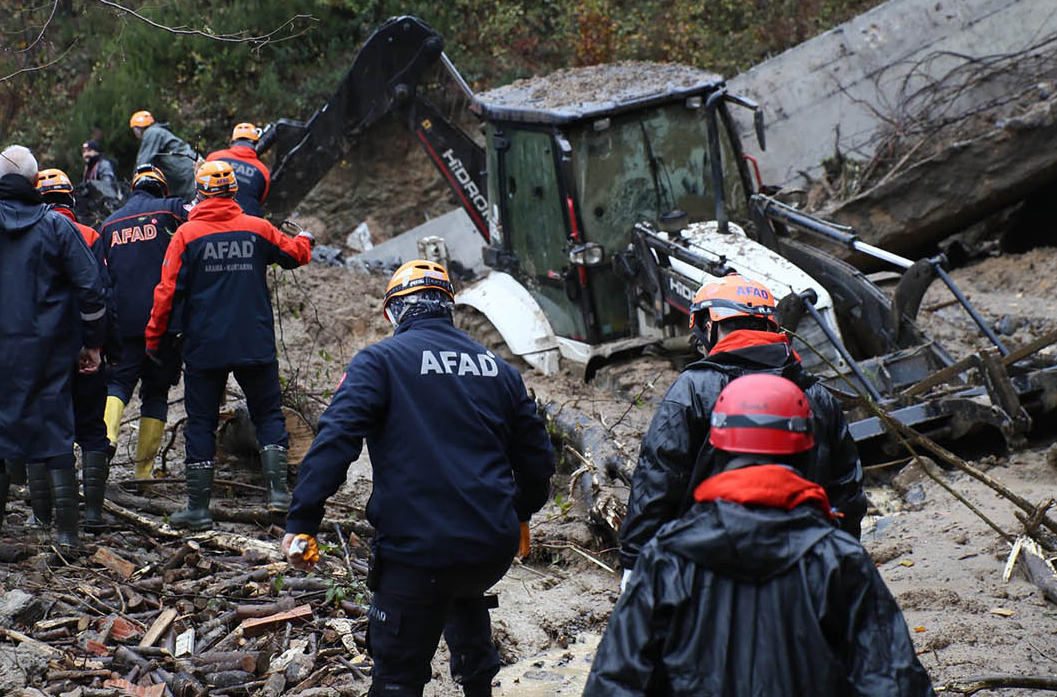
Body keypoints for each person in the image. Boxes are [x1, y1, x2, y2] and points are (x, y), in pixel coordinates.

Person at [282, 260, 556, 697]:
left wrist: (302, 524)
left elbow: (336, 441)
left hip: (419, 554)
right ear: (448, 307)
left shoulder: (380, 361)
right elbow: (539, 460)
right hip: (491, 547)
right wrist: (520, 513)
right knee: (461, 589)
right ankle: (478, 679)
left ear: (394, 312)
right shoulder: (499, 369)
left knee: (398, 672)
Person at [584, 374, 934, 696]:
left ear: (718, 450)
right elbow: (895, 684)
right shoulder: (840, 559)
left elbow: (616, 684)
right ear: (806, 451)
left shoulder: (667, 558)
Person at [618, 273, 867, 581]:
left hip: (710, 571)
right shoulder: (816, 394)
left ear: (709, 326)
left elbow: (658, 478)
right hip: (805, 569)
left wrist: (635, 558)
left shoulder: (693, 388)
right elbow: (847, 491)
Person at [0, 145, 107, 558]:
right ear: (35, 183)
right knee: (54, 434)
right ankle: (67, 537)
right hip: (47, 352)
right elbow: (91, 288)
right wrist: (92, 342)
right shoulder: (56, 227)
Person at [146, 159, 314, 522]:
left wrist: (153, 338)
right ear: (234, 190)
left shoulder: (186, 236)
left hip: (205, 346)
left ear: (200, 192)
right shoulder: (258, 228)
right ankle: (279, 497)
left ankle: (198, 508)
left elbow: (166, 292)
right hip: (254, 341)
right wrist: (305, 240)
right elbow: (294, 255)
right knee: (268, 413)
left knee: (202, 421)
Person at [98, 164, 189, 479]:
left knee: (118, 383)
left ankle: (106, 438)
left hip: (124, 321)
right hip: (166, 322)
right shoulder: (173, 210)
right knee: (156, 392)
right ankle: (143, 474)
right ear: (162, 188)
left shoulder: (109, 224)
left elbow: (102, 277)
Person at [37, 168, 114, 529]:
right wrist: (96, 344)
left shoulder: (29, 235)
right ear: (70, 200)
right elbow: (102, 293)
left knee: (47, 429)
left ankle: (48, 516)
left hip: (42, 350)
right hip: (85, 348)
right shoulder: (90, 234)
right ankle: (94, 514)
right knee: (92, 429)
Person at [205, 122, 271, 217]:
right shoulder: (263, 171)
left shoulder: (214, 158)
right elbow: (261, 199)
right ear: (255, 143)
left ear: (233, 141)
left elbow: (202, 188)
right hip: (249, 224)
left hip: (214, 216)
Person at [130, 110, 197, 201]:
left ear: (138, 128)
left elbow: (143, 162)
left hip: (187, 175)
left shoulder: (152, 133)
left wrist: (134, 183)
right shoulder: (158, 132)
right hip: (188, 172)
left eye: (134, 129)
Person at [77, 140, 123, 225]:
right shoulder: (87, 167)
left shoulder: (103, 164)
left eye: (89, 151)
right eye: (84, 152)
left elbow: (107, 185)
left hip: (106, 206)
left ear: (96, 152)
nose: (86, 154)